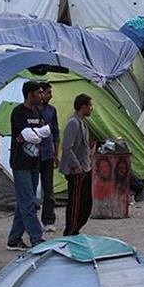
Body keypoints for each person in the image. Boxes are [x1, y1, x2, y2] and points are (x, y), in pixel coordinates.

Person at [6, 81, 46, 251]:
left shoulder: (37, 112)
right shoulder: (18, 112)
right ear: (30, 94)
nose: (41, 96)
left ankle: (14, 239)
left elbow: (44, 132)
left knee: (24, 202)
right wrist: (34, 135)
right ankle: (36, 238)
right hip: (20, 163)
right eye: (39, 93)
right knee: (29, 202)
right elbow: (29, 135)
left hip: (34, 162)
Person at [60, 93, 94, 236]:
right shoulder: (73, 123)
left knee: (86, 203)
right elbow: (67, 147)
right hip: (77, 171)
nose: (92, 109)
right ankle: (70, 230)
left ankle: (76, 228)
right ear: (83, 106)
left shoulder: (82, 122)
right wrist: (76, 166)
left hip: (85, 167)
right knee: (75, 203)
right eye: (90, 105)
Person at [37, 81, 59, 233]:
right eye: (48, 93)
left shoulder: (52, 111)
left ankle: (48, 220)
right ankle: (30, 220)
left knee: (48, 189)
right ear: (41, 93)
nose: (50, 96)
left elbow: (56, 133)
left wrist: (56, 154)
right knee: (31, 189)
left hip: (47, 154)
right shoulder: (31, 110)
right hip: (33, 155)